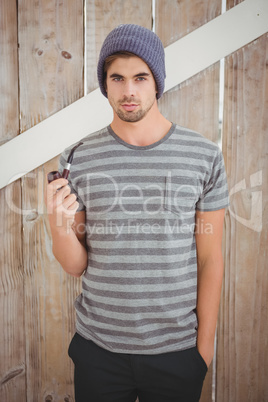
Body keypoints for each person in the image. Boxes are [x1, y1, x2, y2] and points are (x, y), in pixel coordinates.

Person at [45, 24, 229, 402]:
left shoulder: (203, 156)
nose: (129, 91)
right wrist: (57, 224)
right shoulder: (78, 158)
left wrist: (203, 353)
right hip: (99, 352)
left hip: (177, 353)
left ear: (157, 82)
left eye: (140, 77)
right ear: (105, 83)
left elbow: (210, 258)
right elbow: (75, 265)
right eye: (118, 78)